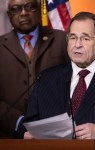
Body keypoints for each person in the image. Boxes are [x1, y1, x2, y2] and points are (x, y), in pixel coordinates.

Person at [17, 12, 95, 139]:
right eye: (73, 37)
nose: (77, 45)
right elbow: (28, 123)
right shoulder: (46, 78)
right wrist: (25, 134)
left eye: (85, 38)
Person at [0, 0, 69, 138]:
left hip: (56, 134)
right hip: (7, 135)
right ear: (9, 15)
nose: (24, 13)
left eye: (30, 6)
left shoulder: (63, 39)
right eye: (16, 9)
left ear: (39, 9)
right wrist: (18, 122)